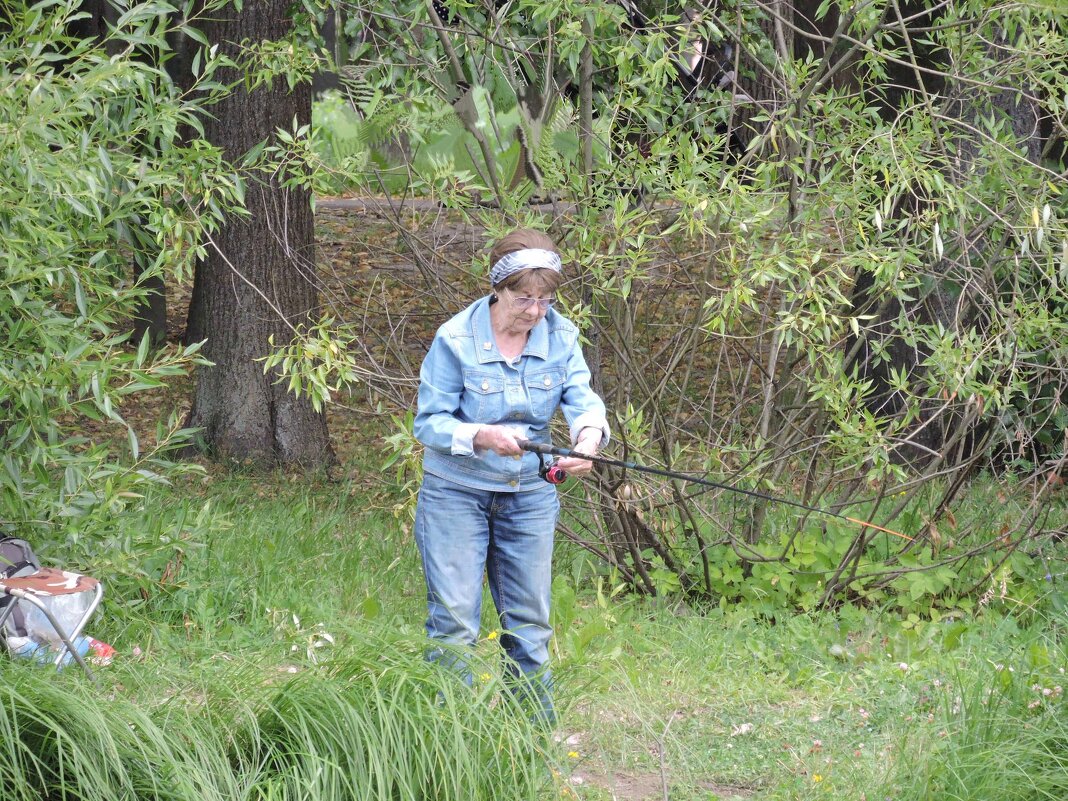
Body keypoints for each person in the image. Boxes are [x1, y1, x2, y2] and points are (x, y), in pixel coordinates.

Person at [413, 228, 610, 725]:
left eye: (545, 299)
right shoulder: (454, 338)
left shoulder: (561, 335)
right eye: (524, 298)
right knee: (455, 622)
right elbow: (429, 423)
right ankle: (446, 739)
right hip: (456, 493)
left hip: (529, 495)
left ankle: (529, 742)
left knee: (529, 625)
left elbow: (583, 400)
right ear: (497, 288)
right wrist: (481, 435)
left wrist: (587, 443)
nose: (535, 311)